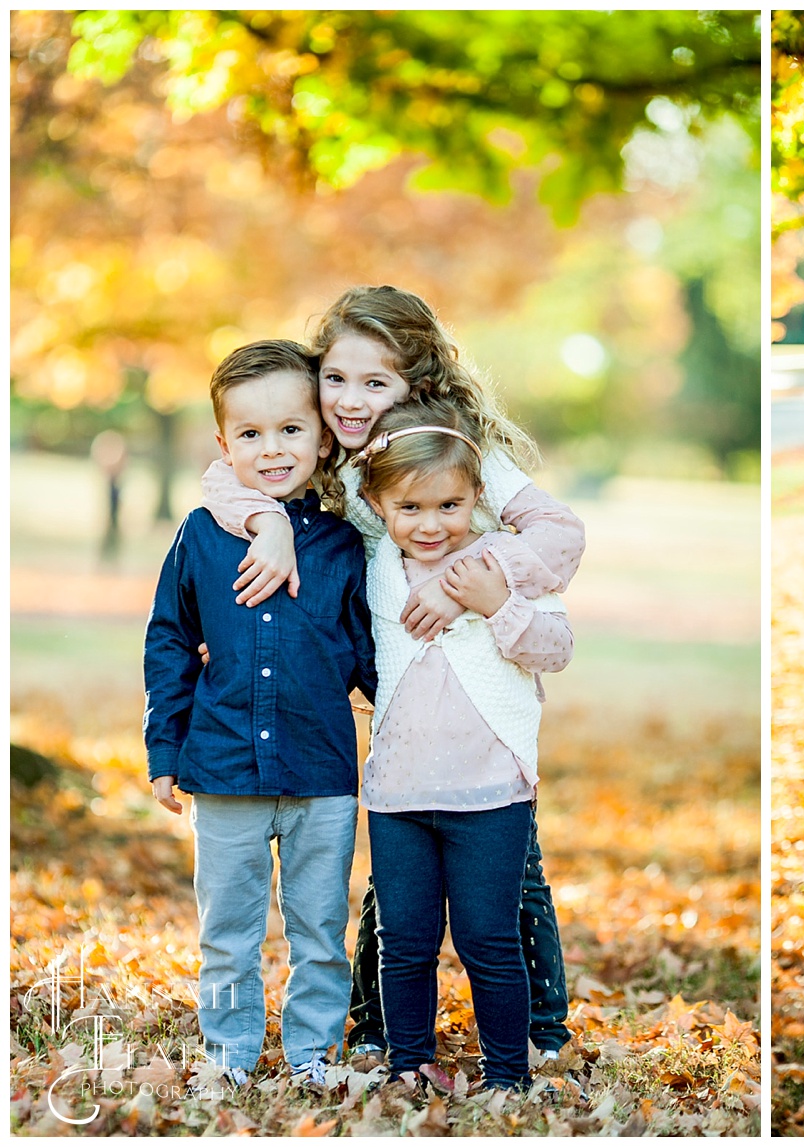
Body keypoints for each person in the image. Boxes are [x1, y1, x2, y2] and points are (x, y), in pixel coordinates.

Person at [198, 285, 582, 1066]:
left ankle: (541, 1032)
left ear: (419, 383)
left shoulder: (460, 448)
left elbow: (560, 535)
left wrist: (464, 575)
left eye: (375, 382)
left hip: (483, 713)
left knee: (516, 881)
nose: (349, 398)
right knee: (395, 886)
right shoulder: (321, 452)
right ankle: (383, 1029)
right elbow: (222, 477)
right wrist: (267, 520)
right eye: (335, 378)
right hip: (400, 709)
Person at [144, 340, 376, 1092]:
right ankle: (231, 1054)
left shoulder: (344, 544)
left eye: (289, 430)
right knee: (228, 930)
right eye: (249, 434)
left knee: (318, 929)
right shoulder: (201, 535)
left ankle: (314, 1052)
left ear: (321, 433)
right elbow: (171, 638)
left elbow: (371, 653)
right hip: (224, 768)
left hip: (321, 774)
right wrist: (163, 747)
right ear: (223, 444)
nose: (271, 449)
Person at [350, 400, 570, 1093]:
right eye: (411, 506)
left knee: (489, 940)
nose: (431, 523)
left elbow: (555, 646)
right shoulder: (375, 565)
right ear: (380, 505)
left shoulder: (503, 564)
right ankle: (408, 1061)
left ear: (477, 495)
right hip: (398, 794)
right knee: (405, 941)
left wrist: (493, 603)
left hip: (490, 792)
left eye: (450, 504)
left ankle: (508, 1073)